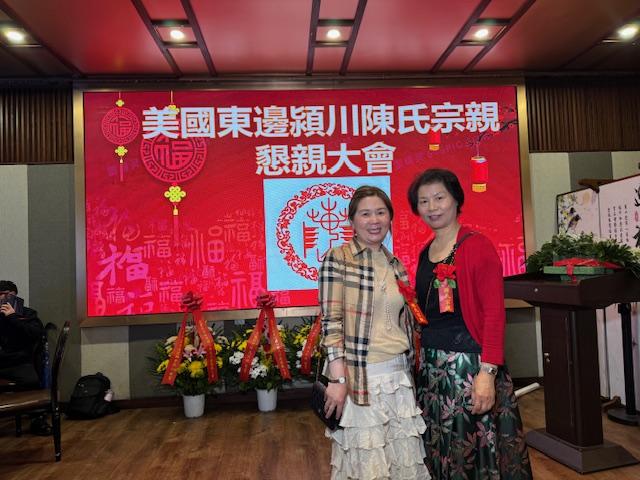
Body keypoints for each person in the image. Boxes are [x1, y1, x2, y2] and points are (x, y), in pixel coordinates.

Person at [407, 169, 532, 479]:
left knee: (470, 452)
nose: (432, 207)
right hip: (432, 372)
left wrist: (487, 373)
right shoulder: (424, 253)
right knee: (439, 450)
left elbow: (494, 314)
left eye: (439, 198)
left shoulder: (477, 246)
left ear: (456, 200)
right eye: (424, 201)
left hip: (469, 369)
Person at [319, 186, 430, 480]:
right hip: (360, 379)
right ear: (352, 221)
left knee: (403, 464)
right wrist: (338, 380)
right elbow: (331, 323)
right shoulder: (338, 259)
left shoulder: (396, 265)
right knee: (369, 467)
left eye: (381, 213)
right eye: (365, 214)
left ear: (390, 218)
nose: (374, 220)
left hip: (399, 379)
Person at [0, 280, 52, 436]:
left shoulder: (27, 313)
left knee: (31, 380)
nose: (6, 299)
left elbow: (37, 334)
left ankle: (37, 419)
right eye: (2, 295)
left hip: (18, 361)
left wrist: (13, 317)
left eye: (10, 296)